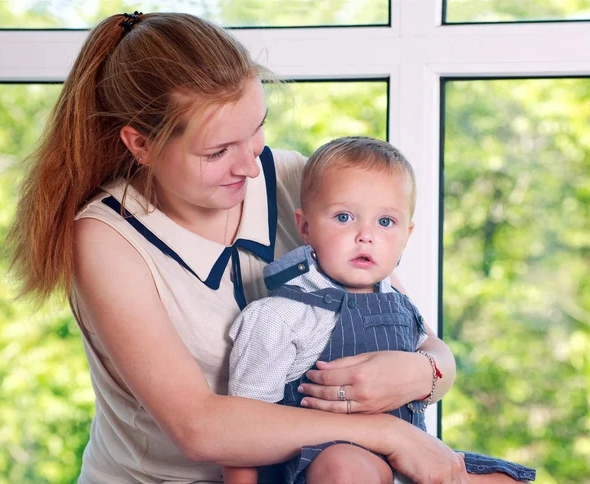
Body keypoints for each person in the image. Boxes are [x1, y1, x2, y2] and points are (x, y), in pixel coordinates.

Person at [7, 11, 485, 484]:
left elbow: (410, 330)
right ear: (141, 144)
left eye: (257, 129)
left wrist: (426, 371)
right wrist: (386, 432)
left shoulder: (297, 179)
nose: (251, 167)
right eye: (217, 152)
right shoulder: (106, 240)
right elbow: (199, 428)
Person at [224, 137, 536, 484]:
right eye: (344, 217)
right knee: (346, 466)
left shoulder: (401, 306)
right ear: (305, 227)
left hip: (411, 458)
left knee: (506, 479)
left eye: (385, 222)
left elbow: (437, 366)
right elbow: (242, 426)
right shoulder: (281, 315)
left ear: (407, 234)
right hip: (326, 464)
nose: (365, 235)